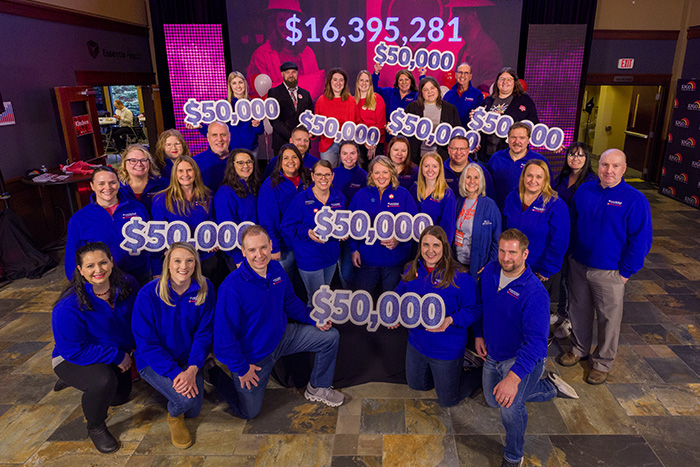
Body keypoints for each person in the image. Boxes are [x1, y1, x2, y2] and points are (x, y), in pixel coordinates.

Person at [208, 225, 344, 420]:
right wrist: (241, 368)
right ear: (243, 252)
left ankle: (318, 387)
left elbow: (289, 300)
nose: (259, 255)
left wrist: (312, 317)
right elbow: (223, 338)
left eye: (263, 247)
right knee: (249, 412)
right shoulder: (231, 287)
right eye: (252, 250)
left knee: (330, 337)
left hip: (282, 337)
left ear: (270, 245)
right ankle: (213, 372)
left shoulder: (275, 268)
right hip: (254, 357)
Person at [479, 229, 578, 467]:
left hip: (521, 358)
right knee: (493, 400)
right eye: (502, 250)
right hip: (494, 353)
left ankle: (514, 455)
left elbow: (536, 344)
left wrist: (513, 379)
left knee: (510, 407)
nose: (506, 258)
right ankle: (548, 386)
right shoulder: (490, 271)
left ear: (525, 254)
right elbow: (481, 307)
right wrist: (478, 335)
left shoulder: (535, 293)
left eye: (512, 252)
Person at [558, 149, 652, 385]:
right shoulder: (584, 190)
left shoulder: (635, 199)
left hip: (611, 272)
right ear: (598, 166)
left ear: (624, 167)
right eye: (605, 165)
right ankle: (579, 349)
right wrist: (570, 255)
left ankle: (601, 362)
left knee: (609, 319)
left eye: (615, 166)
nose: (609, 171)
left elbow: (641, 240)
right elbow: (573, 224)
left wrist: (625, 273)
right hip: (579, 264)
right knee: (578, 311)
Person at [52, 242, 137, 453]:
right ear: (80, 270)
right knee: (103, 382)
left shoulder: (128, 284)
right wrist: (117, 356)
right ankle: (96, 426)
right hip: (72, 358)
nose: (98, 270)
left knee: (120, 396)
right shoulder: (67, 307)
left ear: (111, 262)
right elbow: (73, 350)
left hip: (112, 353)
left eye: (103, 263)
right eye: (90, 266)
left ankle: (82, 381)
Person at [132, 242, 215, 449]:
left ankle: (198, 376)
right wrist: (176, 373)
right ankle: (174, 415)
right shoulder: (148, 294)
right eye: (177, 261)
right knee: (185, 403)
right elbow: (146, 344)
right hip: (152, 361)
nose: (183, 267)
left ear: (196, 264)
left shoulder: (205, 288)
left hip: (188, 360)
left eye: (189, 261)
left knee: (195, 411)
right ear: (167, 263)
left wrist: (193, 367)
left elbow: (204, 333)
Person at [395, 225, 482, 407]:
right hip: (417, 344)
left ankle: (478, 372)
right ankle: (446, 376)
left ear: (444, 247)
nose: (430, 251)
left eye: (436, 245)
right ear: (420, 247)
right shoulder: (411, 269)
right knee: (417, 385)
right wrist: (395, 315)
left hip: (446, 349)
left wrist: (450, 320)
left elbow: (474, 310)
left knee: (447, 401)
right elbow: (398, 298)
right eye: (425, 245)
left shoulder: (461, 278)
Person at [65, 166, 151, 285]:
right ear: (92, 186)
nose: (108, 187)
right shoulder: (79, 219)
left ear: (118, 183)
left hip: (140, 275)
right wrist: (77, 285)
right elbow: (71, 257)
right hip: (103, 280)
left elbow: (152, 242)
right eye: (101, 184)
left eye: (112, 183)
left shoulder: (137, 208)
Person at [503, 160, 570, 312]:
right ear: (523, 177)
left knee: (533, 310)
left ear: (545, 179)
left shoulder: (555, 204)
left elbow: (560, 241)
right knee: (513, 307)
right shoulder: (512, 197)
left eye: (539, 177)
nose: (533, 180)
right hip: (512, 265)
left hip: (539, 269)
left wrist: (548, 268)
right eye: (529, 176)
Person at [350, 156, 418, 295]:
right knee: (362, 300)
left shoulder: (403, 194)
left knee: (391, 302)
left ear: (392, 173)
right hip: (367, 259)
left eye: (385, 172)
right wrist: (353, 250)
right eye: (377, 172)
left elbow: (414, 226)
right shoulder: (360, 195)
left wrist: (399, 239)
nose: (381, 176)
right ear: (371, 174)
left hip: (395, 259)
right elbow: (350, 225)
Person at [151, 156, 224, 285]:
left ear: (195, 172)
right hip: (178, 263)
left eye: (189, 170)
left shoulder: (208, 195)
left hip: (205, 258)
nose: (185, 174)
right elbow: (156, 235)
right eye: (180, 171)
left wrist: (213, 239)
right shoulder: (161, 199)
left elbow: (212, 220)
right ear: (175, 174)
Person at [281, 160, 346, 303]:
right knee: (316, 299)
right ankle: (315, 325)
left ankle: (323, 323)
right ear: (313, 176)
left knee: (325, 295)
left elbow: (342, 223)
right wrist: (307, 232)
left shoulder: (339, 197)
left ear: (332, 176)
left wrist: (344, 232)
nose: (323, 178)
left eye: (327, 175)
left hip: (330, 256)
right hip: (309, 257)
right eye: (319, 174)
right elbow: (287, 225)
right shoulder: (301, 199)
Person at [551, 143, 597, 338]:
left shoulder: (591, 182)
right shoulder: (561, 178)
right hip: (562, 234)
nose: (575, 159)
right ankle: (562, 311)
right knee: (562, 277)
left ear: (586, 158)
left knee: (574, 280)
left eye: (580, 155)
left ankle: (571, 318)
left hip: (579, 236)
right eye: (571, 155)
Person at [246, 0, 325, 100]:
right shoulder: (261, 55)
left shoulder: (308, 52)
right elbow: (254, 94)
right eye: (282, 20)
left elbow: (317, 90)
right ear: (273, 22)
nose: (287, 25)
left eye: (291, 20)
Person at [257, 144, 312, 279]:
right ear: (280, 162)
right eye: (286, 158)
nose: (290, 161)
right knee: (285, 284)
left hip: (306, 243)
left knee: (304, 285)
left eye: (294, 157)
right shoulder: (270, 184)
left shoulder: (309, 179)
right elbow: (267, 220)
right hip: (284, 246)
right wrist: (274, 247)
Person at [475, 67, 539, 163]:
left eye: (509, 79)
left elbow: (535, 125)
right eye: (502, 79)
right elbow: (479, 126)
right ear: (497, 82)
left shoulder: (525, 100)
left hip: (510, 156)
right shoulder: (488, 100)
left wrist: (552, 143)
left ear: (515, 83)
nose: (505, 82)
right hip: (486, 154)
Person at [194, 72, 264, 156]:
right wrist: (201, 127)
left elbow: (260, 131)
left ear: (245, 84)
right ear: (230, 86)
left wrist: (256, 125)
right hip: (230, 151)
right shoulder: (223, 105)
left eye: (240, 82)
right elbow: (215, 130)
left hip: (250, 150)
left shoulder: (253, 104)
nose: (238, 86)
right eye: (234, 83)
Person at [214, 149, 261, 271]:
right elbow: (227, 231)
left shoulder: (254, 186)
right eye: (240, 162)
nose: (245, 166)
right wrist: (238, 258)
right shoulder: (225, 193)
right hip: (239, 254)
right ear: (232, 165)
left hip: (257, 248)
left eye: (249, 162)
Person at [487, 122, 550, 210]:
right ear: (508, 139)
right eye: (513, 137)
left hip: (528, 213)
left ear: (528, 140)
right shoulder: (496, 158)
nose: (517, 141)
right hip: (498, 210)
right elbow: (487, 186)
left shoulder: (540, 161)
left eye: (522, 138)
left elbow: (548, 189)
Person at [455, 163, 501, 281]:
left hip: (479, 268)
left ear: (481, 181)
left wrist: (489, 265)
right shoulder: (457, 202)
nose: (472, 181)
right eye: (468, 177)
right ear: (463, 180)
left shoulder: (490, 205)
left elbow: (497, 241)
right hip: (457, 265)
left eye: (476, 177)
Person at [333, 141, 367, 289]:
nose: (348, 157)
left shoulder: (364, 176)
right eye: (345, 153)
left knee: (347, 271)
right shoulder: (332, 174)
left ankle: (352, 300)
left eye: (352, 153)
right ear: (340, 155)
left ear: (357, 154)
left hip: (354, 231)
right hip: (334, 228)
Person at [405, 77, 461, 162]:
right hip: (417, 157)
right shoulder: (412, 108)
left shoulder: (450, 109)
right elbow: (404, 131)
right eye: (425, 90)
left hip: (443, 156)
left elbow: (457, 133)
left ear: (437, 89)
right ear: (421, 93)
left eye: (432, 88)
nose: (430, 92)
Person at [314, 68, 359, 166]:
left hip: (347, 144)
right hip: (328, 145)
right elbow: (316, 125)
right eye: (335, 79)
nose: (338, 83)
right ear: (330, 81)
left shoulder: (351, 100)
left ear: (344, 83)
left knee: (346, 175)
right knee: (329, 173)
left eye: (341, 80)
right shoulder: (321, 100)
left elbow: (357, 122)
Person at [268, 62, 315, 156]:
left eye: (293, 72)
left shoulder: (305, 94)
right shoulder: (274, 92)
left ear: (297, 74)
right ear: (282, 74)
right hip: (282, 142)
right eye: (287, 72)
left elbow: (311, 117)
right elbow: (274, 120)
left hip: (302, 144)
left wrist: (300, 138)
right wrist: (293, 137)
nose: (291, 75)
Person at [410, 152, 457, 242]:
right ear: (421, 168)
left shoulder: (447, 195)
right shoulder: (414, 189)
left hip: (434, 247)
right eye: (426, 166)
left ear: (440, 169)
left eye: (434, 166)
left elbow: (448, 229)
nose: (430, 170)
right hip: (414, 244)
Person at [118, 144, 168, 215]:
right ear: (124, 163)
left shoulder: (164, 184)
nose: (139, 164)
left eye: (143, 160)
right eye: (133, 160)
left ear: (150, 163)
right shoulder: (117, 188)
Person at [444, 135, 494, 200]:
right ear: (448, 150)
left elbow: (490, 198)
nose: (458, 152)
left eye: (462, 149)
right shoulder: (439, 170)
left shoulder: (481, 171)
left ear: (468, 150)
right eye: (454, 148)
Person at [355, 70, 386, 164]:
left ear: (370, 84)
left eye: (367, 81)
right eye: (361, 80)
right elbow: (356, 122)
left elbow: (381, 123)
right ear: (357, 82)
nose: (364, 83)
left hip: (376, 143)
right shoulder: (353, 101)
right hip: (360, 143)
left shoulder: (377, 99)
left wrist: (372, 143)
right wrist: (364, 142)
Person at [192, 121, 231, 192]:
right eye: (214, 135)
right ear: (208, 137)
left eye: (223, 135)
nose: (219, 139)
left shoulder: (240, 159)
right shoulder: (195, 162)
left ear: (229, 136)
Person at [443, 62, 484, 128]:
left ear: (470, 76)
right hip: (451, 133)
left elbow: (480, 118)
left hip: (469, 134)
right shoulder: (448, 95)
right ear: (456, 75)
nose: (462, 75)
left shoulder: (477, 95)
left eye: (466, 73)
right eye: (460, 72)